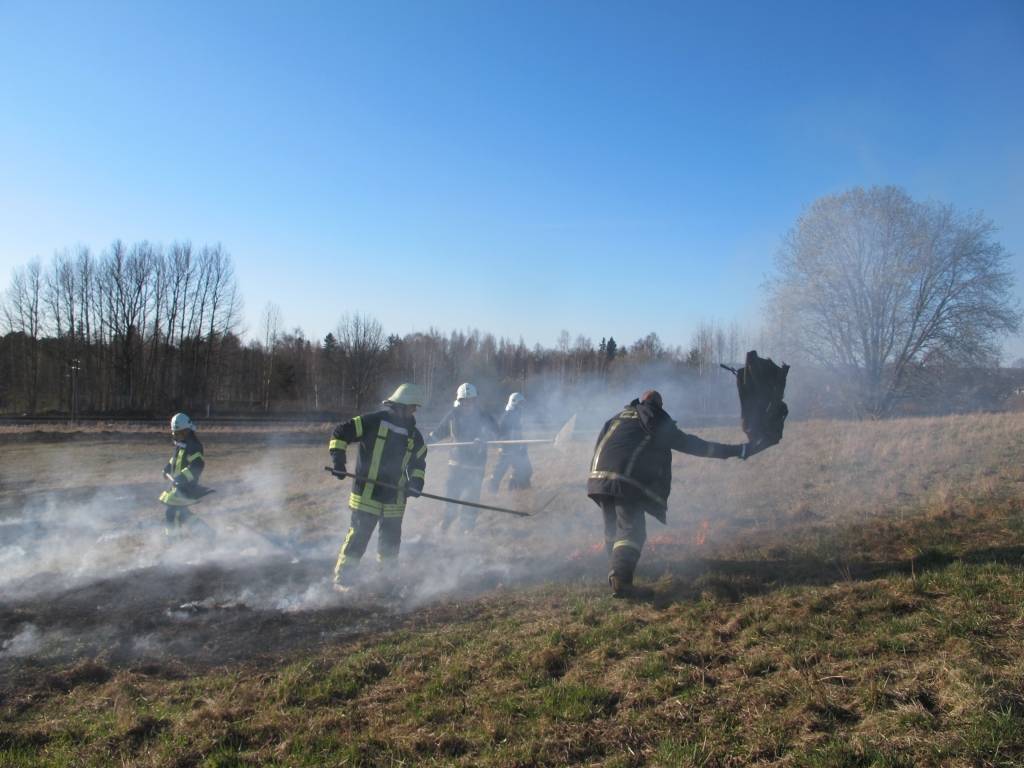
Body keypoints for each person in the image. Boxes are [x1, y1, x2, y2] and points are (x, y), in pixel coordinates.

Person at [587, 390, 759, 598]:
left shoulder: (617, 417)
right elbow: (693, 445)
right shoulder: (654, 418)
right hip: (626, 478)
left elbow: (600, 443)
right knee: (632, 530)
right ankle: (621, 580)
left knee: (613, 527)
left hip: (598, 477)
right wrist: (737, 451)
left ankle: (615, 571)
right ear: (658, 405)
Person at [329, 383, 428, 592]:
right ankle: (343, 581)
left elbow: (419, 462)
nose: (414, 412)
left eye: (415, 408)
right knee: (358, 538)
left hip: (395, 498)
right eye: (412, 407)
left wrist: (416, 483)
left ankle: (387, 582)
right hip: (367, 495)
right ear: (400, 406)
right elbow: (341, 432)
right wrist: (339, 460)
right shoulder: (373, 421)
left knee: (390, 545)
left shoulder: (414, 436)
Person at [428, 382, 499, 532]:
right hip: (456, 464)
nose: (467, 405)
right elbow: (438, 432)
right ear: (459, 401)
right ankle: (446, 523)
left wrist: (484, 437)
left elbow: (496, 432)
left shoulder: (484, 416)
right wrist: (427, 444)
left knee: (471, 499)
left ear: (475, 401)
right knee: (451, 496)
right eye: (464, 401)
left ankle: (467, 529)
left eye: (470, 401)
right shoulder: (453, 415)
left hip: (476, 466)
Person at [159, 412, 211, 540]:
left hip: (187, 486)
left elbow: (197, 466)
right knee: (182, 514)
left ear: (187, 431)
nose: (178, 436)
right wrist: (167, 468)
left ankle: (174, 542)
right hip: (178, 486)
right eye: (175, 434)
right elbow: (175, 460)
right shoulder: (181, 444)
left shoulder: (194, 446)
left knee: (173, 513)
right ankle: (206, 532)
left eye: (180, 433)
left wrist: (182, 478)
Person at [488, 392, 532, 492]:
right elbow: (499, 433)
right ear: (514, 403)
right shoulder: (507, 416)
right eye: (520, 403)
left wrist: (522, 444)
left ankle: (519, 486)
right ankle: (493, 489)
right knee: (500, 471)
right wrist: (504, 445)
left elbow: (518, 433)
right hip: (508, 449)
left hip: (517, 448)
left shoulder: (517, 414)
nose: (522, 406)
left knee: (526, 469)